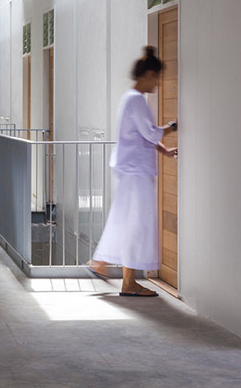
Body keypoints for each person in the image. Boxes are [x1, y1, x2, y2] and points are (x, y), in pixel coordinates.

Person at [88, 46, 177, 297]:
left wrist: (164, 150)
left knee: (126, 219)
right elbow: (150, 132)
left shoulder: (129, 98)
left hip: (129, 168)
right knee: (137, 224)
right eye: (157, 79)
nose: (158, 84)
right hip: (135, 171)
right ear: (148, 75)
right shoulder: (136, 100)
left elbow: (143, 135)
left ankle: (101, 262)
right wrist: (172, 126)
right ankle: (128, 283)